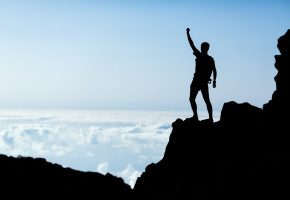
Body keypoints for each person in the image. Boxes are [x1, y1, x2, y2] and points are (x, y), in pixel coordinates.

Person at [186, 28, 217, 122]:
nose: (201, 48)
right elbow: (214, 71)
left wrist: (187, 33)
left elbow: (191, 44)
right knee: (203, 100)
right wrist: (214, 81)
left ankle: (197, 116)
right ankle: (208, 118)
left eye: (202, 47)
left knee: (195, 99)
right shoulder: (210, 58)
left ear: (205, 48)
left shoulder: (200, 56)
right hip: (202, 81)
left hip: (198, 81)